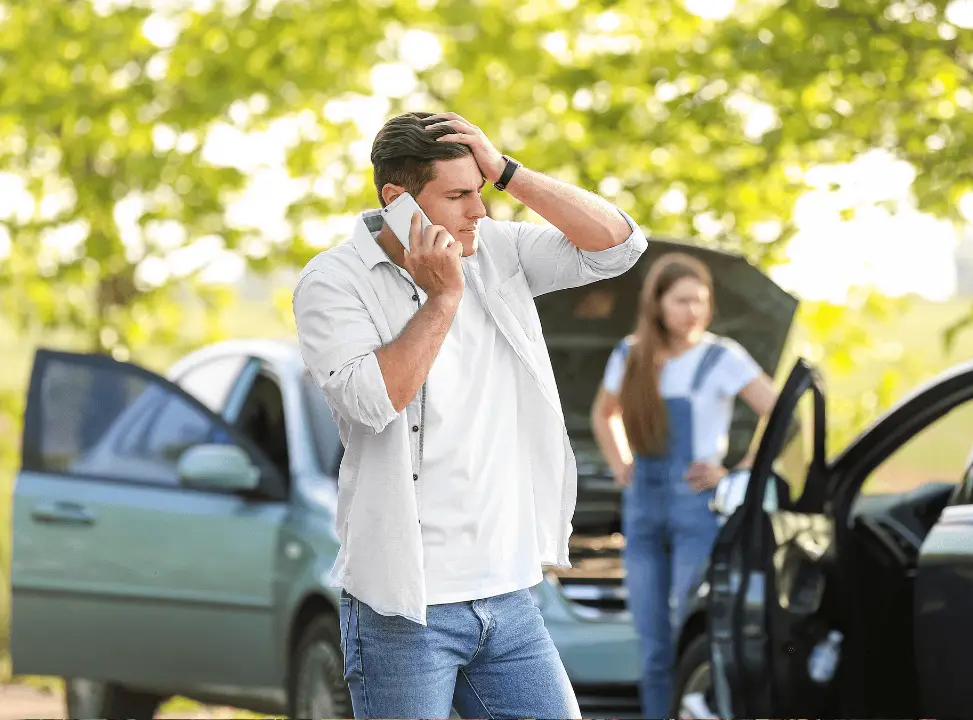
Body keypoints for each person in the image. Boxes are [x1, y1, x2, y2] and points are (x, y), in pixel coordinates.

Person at [292, 111, 647, 719]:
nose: (478, 211)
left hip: (508, 595)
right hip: (404, 607)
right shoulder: (332, 282)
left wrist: (509, 173)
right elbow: (374, 400)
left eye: (479, 191)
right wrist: (444, 298)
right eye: (458, 196)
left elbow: (619, 247)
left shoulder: (499, 250)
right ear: (398, 200)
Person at [590, 252, 778, 717]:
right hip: (643, 509)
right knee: (652, 640)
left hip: (699, 509)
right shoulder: (630, 354)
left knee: (686, 628)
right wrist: (622, 464)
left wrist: (736, 471)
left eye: (701, 300)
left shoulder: (721, 357)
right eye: (682, 300)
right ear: (657, 304)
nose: (693, 310)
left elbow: (780, 412)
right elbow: (604, 413)